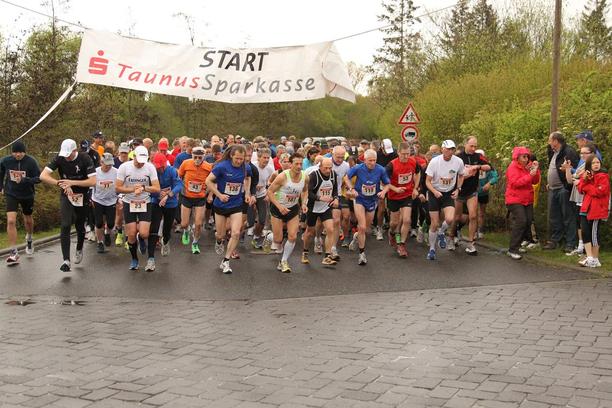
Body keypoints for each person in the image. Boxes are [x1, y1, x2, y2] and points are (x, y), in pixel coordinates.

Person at [40, 139, 96, 272]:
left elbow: (93, 181)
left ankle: (79, 248)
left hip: (82, 195)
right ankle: (66, 260)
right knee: (65, 224)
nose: (67, 157)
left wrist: (72, 182)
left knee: (79, 225)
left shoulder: (85, 158)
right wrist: (61, 183)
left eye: (69, 154)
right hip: (67, 194)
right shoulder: (59, 158)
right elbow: (43, 176)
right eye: (65, 155)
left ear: (75, 150)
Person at [205, 145, 254, 274]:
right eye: (237, 158)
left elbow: (248, 178)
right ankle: (219, 241)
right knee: (220, 235)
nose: (239, 161)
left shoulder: (246, 167)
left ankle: (226, 261)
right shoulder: (222, 166)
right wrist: (219, 195)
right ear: (231, 155)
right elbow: (208, 181)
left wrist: (247, 193)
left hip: (236, 204)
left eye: (242, 159)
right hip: (221, 205)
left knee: (236, 233)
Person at [344, 149, 397, 265]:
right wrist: (351, 188)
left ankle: (356, 237)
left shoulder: (380, 169)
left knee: (365, 229)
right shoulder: (358, 168)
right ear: (364, 160)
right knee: (362, 226)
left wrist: (383, 192)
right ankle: (362, 254)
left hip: (372, 201)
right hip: (360, 199)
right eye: (370, 161)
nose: (372, 163)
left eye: (374, 160)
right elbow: (346, 178)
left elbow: (387, 184)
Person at [115, 145, 161, 271]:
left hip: (145, 202)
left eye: (143, 162)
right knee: (131, 234)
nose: (141, 164)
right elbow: (117, 187)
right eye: (139, 161)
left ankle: (141, 238)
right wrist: (132, 189)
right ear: (134, 156)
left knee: (144, 233)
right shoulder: (124, 167)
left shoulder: (150, 167)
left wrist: (144, 188)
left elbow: (157, 188)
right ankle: (134, 259)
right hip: (129, 202)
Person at [0, 141, 41, 264]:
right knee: (11, 221)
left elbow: (38, 178)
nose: (18, 155)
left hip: (27, 194)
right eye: (15, 152)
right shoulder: (6, 161)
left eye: (20, 152)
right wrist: (1, 186)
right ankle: (13, 252)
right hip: (11, 193)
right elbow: (1, 171)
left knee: (28, 219)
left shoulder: (31, 162)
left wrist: (25, 180)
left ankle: (29, 238)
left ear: (24, 152)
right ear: (12, 152)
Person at [448, 136, 490, 254]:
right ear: (465, 144)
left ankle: (471, 243)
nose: (473, 148)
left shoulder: (478, 156)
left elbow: (489, 167)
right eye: (471, 146)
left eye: (475, 146)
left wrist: (478, 166)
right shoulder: (458, 157)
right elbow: (450, 173)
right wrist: (464, 175)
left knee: (473, 216)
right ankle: (451, 237)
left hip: (472, 192)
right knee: (457, 217)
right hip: (459, 191)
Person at [267, 153, 308, 273]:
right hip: (278, 208)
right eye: (296, 164)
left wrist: (304, 203)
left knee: (293, 236)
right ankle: (269, 236)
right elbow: (270, 192)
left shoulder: (305, 177)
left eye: (301, 164)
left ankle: (284, 261)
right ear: (290, 164)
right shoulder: (282, 177)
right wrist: (279, 206)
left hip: (293, 209)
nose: (299, 166)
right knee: (278, 239)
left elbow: (305, 191)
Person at [424, 140, 465, 261]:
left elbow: (461, 175)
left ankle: (441, 232)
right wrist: (434, 191)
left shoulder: (458, 161)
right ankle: (432, 249)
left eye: (452, 149)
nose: (450, 151)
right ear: (442, 149)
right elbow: (427, 181)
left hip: (448, 193)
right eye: (447, 149)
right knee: (434, 223)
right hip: (434, 193)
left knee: (450, 219)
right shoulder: (434, 162)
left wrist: (458, 189)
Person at [543, 131, 579, 251]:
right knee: (554, 217)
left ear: (555, 141)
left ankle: (570, 243)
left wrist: (566, 186)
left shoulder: (569, 152)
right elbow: (553, 167)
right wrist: (550, 182)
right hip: (553, 189)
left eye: (550, 140)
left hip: (563, 189)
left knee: (568, 216)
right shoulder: (552, 152)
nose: (549, 142)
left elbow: (576, 170)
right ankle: (555, 240)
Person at [386, 142, 421, 258]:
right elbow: (384, 182)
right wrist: (395, 189)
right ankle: (391, 233)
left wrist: (415, 188)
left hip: (407, 195)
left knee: (406, 220)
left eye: (408, 154)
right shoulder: (391, 165)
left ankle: (401, 244)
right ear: (398, 153)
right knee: (394, 223)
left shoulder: (413, 162)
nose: (406, 156)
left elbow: (418, 173)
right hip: (394, 196)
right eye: (403, 154)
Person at [505, 147, 540, 260]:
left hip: (527, 199)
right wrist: (530, 175)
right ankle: (512, 249)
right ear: (517, 157)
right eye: (524, 157)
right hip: (514, 199)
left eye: (527, 157)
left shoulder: (527, 167)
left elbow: (535, 181)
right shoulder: (512, 167)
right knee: (521, 220)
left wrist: (535, 171)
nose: (526, 159)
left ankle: (518, 244)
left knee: (528, 221)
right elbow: (515, 183)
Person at [302, 158, 338, 266]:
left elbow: (335, 189)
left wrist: (336, 198)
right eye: (326, 168)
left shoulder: (333, 174)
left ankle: (327, 256)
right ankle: (305, 252)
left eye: (330, 168)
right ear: (320, 166)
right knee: (310, 232)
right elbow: (308, 193)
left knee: (330, 229)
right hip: (313, 208)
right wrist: (320, 198)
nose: (328, 170)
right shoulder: (313, 176)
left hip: (326, 207)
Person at [148, 153, 182, 268]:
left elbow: (179, 185)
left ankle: (166, 241)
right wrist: (158, 194)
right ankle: (151, 257)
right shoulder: (152, 172)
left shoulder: (172, 171)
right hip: (156, 202)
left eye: (161, 167)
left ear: (165, 164)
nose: (159, 169)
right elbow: (148, 189)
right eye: (157, 167)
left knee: (167, 230)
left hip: (171, 203)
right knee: (154, 227)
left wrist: (169, 194)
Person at [178, 146, 212, 254]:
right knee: (184, 224)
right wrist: (179, 189)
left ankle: (195, 243)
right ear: (192, 156)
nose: (197, 159)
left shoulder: (208, 167)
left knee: (198, 224)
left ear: (204, 157)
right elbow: (179, 177)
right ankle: (186, 230)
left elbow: (213, 182)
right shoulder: (185, 163)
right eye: (195, 157)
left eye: (200, 157)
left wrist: (209, 194)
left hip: (200, 198)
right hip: (186, 196)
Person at [577, 156, 610, 268]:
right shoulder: (587, 176)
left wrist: (587, 186)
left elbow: (599, 192)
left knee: (594, 234)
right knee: (585, 232)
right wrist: (585, 179)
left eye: (598, 162)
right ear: (589, 165)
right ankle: (590, 257)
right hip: (585, 208)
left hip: (596, 210)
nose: (596, 164)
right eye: (593, 163)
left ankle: (595, 258)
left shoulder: (603, 176)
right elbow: (580, 189)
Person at [564, 142, 596, 256]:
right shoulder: (582, 165)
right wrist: (567, 169)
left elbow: (592, 184)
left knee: (587, 225)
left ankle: (589, 252)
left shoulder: (594, 166)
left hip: (587, 198)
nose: (582, 155)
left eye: (585, 153)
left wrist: (580, 182)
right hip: (578, 196)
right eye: (581, 153)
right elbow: (570, 181)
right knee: (578, 222)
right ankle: (581, 246)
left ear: (592, 153)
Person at [92, 153, 118, 253]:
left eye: (110, 164)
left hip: (111, 200)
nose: (108, 166)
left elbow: (120, 185)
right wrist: (91, 199)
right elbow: (90, 186)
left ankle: (107, 233)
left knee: (111, 224)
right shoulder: (95, 172)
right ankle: (100, 242)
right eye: (106, 164)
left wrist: (119, 197)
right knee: (99, 223)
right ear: (101, 162)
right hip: (98, 199)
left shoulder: (116, 172)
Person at [250, 147, 273, 249]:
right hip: (250, 195)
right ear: (258, 158)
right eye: (264, 157)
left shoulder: (270, 169)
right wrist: (253, 187)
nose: (266, 160)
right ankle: (237, 234)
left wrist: (268, 194)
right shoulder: (252, 166)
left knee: (262, 220)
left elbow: (271, 184)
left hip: (262, 195)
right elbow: (245, 180)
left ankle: (256, 237)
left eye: (268, 158)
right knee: (248, 221)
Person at [475, 149, 498, 239]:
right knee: (473, 213)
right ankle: (474, 231)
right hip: (473, 193)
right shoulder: (472, 165)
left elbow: (495, 177)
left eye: (481, 156)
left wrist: (489, 183)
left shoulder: (488, 166)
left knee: (481, 213)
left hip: (484, 193)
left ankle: (480, 230)